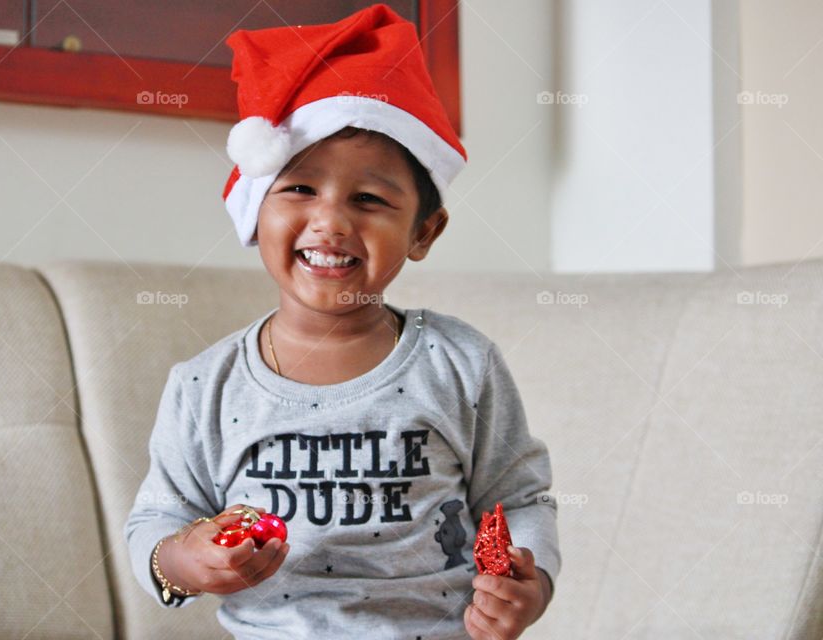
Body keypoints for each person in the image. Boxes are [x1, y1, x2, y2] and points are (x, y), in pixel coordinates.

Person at [124, 5, 561, 639]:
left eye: (369, 199)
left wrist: (532, 583)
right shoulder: (204, 386)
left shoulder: (462, 364)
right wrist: (185, 560)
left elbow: (520, 499)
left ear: (424, 231)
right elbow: (155, 523)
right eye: (299, 189)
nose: (330, 221)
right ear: (256, 208)